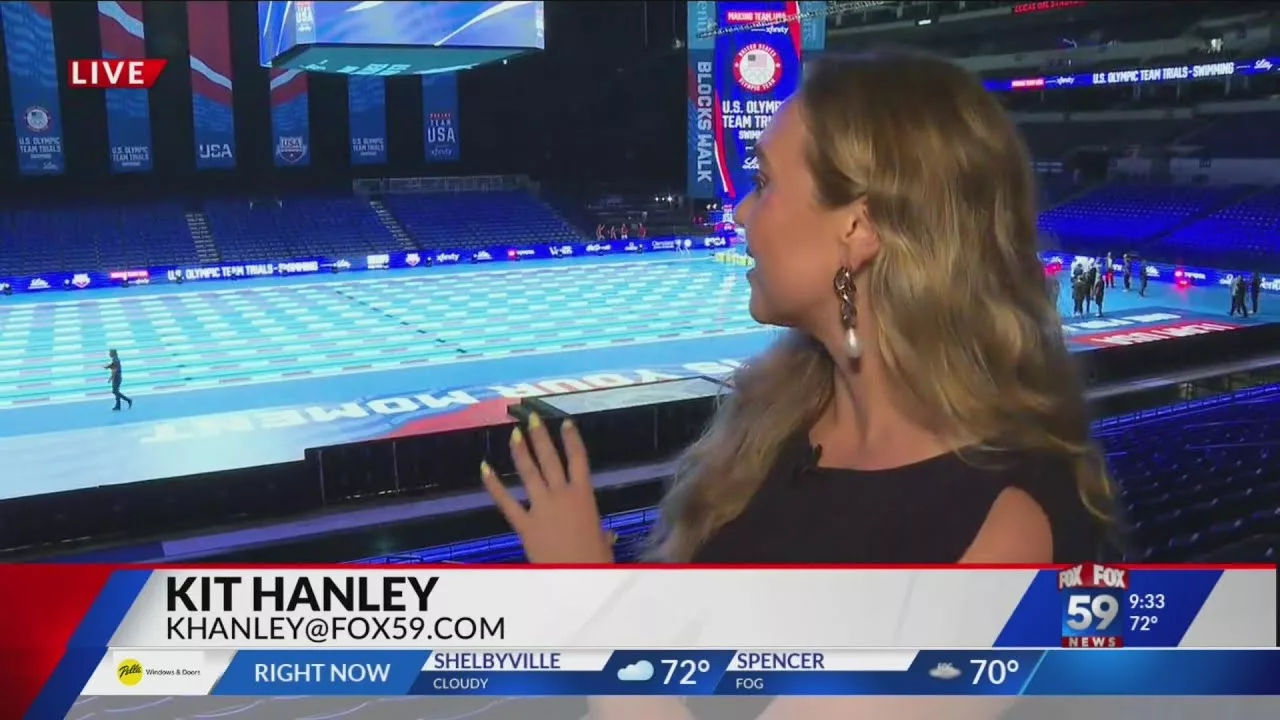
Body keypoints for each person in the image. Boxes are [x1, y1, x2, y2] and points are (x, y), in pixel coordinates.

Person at [481, 53, 1113, 719]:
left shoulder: (1006, 533)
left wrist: (590, 597)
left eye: (763, 181)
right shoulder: (777, 419)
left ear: (858, 229)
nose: (741, 211)